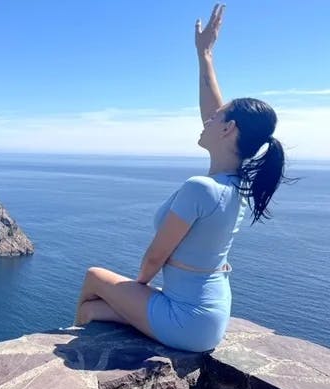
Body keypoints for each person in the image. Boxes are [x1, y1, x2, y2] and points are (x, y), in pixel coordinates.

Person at [73, 4, 296, 352]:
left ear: (228, 129)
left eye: (215, 119)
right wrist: (204, 55)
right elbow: (215, 112)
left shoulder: (201, 188)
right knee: (93, 310)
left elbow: (153, 258)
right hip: (210, 316)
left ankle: (78, 345)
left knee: (93, 277)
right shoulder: (236, 185)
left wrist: (137, 288)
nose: (206, 120)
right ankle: (91, 326)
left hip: (186, 320)